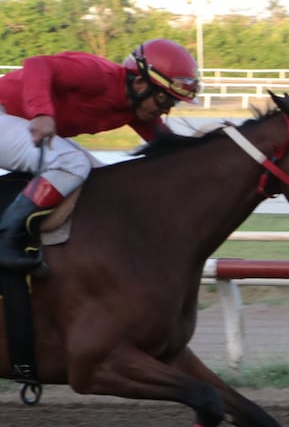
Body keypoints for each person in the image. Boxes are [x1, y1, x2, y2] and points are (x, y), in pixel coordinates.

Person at [0, 38, 200, 271]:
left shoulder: (136, 107)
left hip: (16, 122)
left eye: (173, 103)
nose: (165, 110)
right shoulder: (97, 75)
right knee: (71, 162)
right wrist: (42, 113)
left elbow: (168, 150)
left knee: (103, 178)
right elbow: (37, 64)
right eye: (164, 99)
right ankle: (7, 239)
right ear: (139, 84)